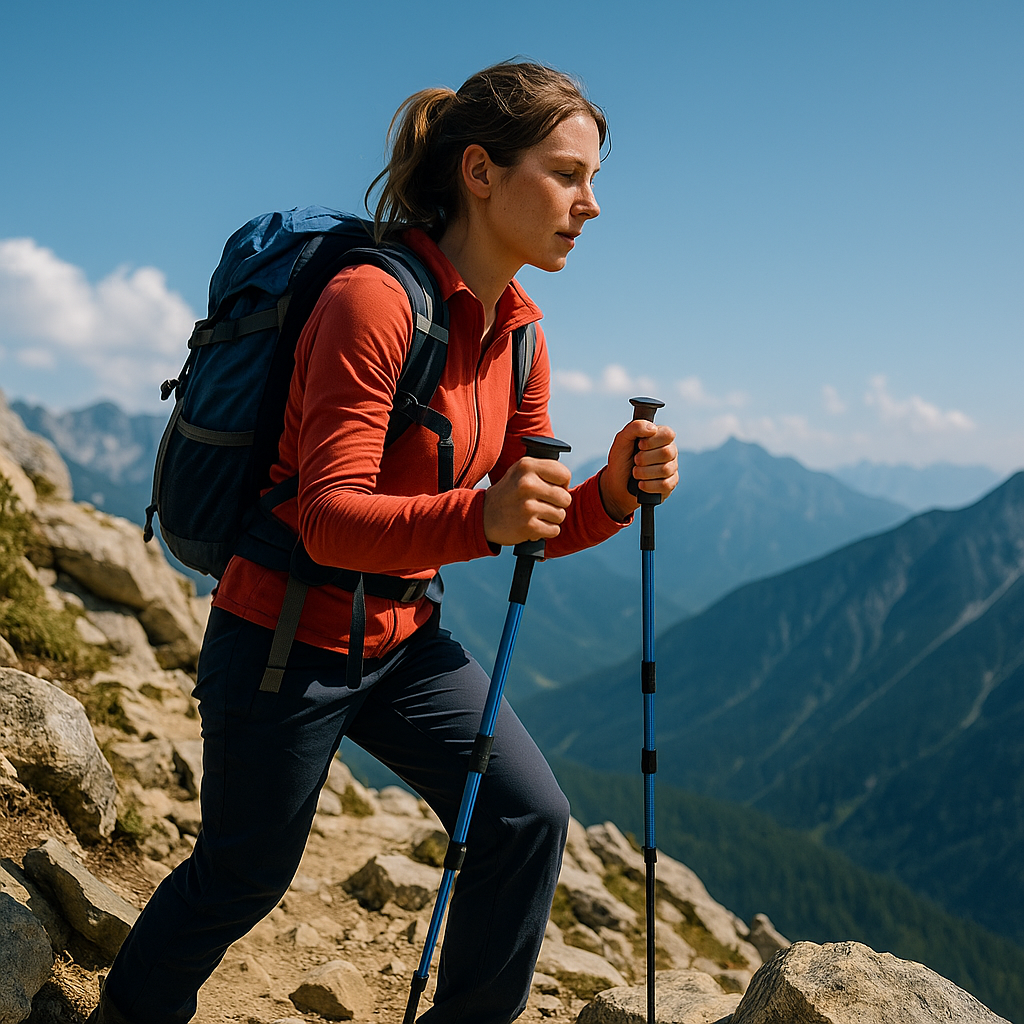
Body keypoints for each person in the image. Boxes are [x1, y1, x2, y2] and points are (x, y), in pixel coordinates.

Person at [92, 60, 679, 1024]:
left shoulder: (519, 331)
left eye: (595, 181)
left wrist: (609, 493)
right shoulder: (372, 301)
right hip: (283, 636)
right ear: (481, 173)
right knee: (241, 878)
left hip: (401, 638)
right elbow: (327, 516)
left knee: (525, 816)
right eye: (569, 175)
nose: (592, 204)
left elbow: (524, 519)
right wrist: (480, 520)